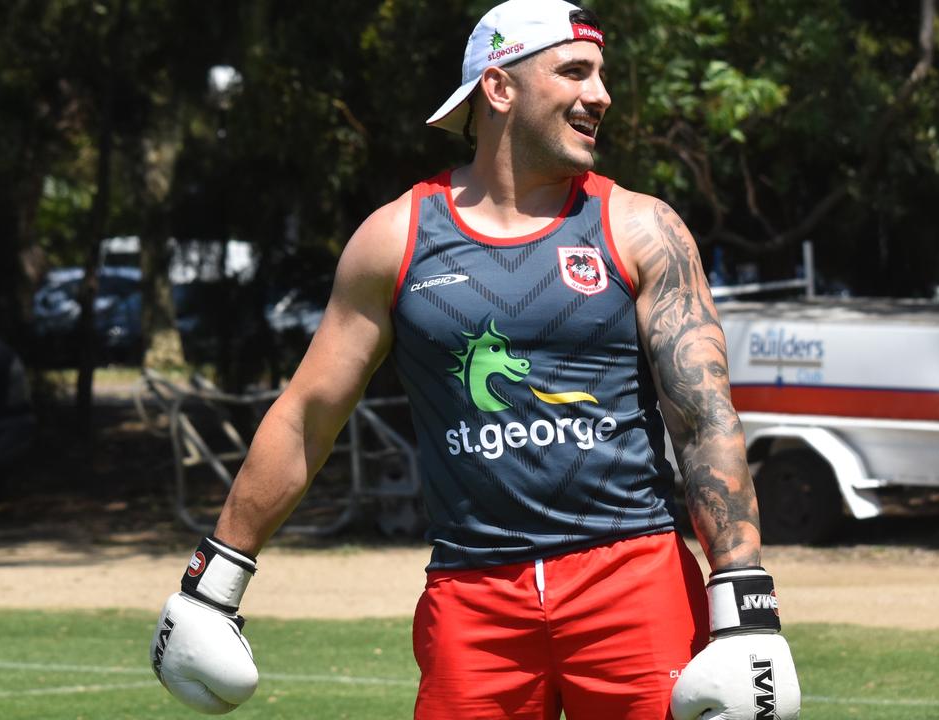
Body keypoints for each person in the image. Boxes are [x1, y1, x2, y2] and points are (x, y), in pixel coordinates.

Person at [149, 2, 801, 718]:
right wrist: (213, 579)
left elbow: (705, 418)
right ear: (499, 89)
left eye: (602, 74)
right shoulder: (394, 238)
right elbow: (308, 415)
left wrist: (746, 600)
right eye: (574, 71)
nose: (601, 94)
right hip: (472, 599)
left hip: (634, 580)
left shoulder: (641, 226)